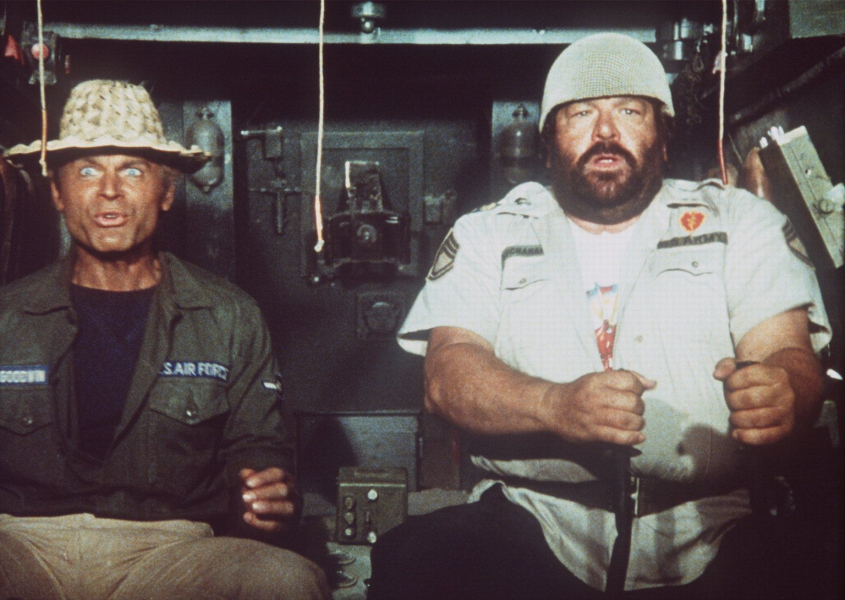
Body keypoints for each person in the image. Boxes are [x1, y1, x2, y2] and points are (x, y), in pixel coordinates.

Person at [368, 33, 831, 600]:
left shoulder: (739, 222)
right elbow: (446, 376)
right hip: (536, 518)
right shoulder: (490, 233)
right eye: (581, 113)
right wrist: (556, 405)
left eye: (630, 111)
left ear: (663, 139)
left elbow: (788, 354)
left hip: (715, 522)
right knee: (413, 563)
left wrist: (784, 392)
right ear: (547, 146)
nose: (606, 132)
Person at [0, 80, 329, 600]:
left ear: (167, 192)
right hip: (21, 543)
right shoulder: (7, 315)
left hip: (170, 552)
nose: (110, 190)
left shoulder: (228, 315)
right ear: (59, 193)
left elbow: (258, 448)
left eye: (132, 170)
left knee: (285, 582)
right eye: (87, 171)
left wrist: (269, 492)